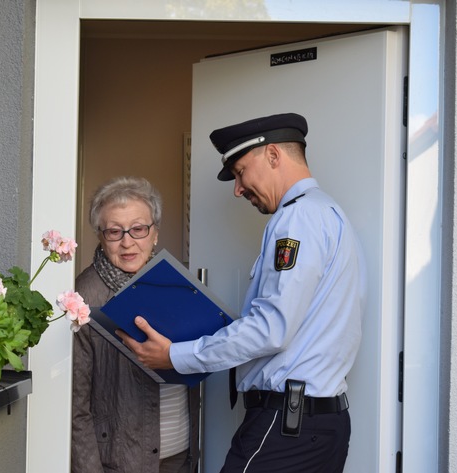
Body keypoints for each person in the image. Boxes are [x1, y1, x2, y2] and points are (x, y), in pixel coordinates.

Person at [119, 113, 367, 472]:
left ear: (273, 156)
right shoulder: (329, 213)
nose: (238, 189)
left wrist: (176, 355)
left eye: (240, 171)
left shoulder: (297, 219)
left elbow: (271, 330)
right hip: (318, 425)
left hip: (288, 428)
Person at [72, 176, 200, 473]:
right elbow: (75, 408)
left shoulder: (176, 282)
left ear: (154, 234)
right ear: (101, 237)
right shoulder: (83, 296)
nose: (127, 242)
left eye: (138, 229)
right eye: (115, 231)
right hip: (121, 462)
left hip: (181, 455)